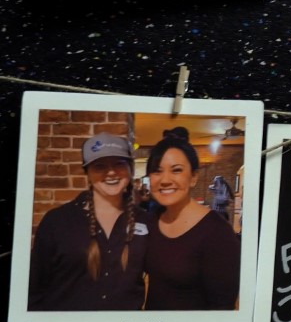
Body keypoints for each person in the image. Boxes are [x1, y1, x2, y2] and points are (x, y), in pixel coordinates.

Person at [28, 133, 149, 311]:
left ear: (130, 169)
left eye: (119, 164)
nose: (111, 172)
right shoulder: (57, 221)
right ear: (87, 173)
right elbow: (34, 288)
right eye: (99, 166)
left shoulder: (145, 220)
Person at [144, 127, 240, 311]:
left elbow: (222, 308)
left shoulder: (217, 233)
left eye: (176, 170)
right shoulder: (152, 221)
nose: (165, 180)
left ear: (193, 177)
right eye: (157, 171)